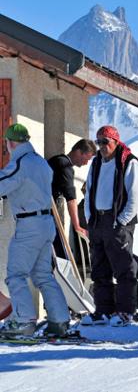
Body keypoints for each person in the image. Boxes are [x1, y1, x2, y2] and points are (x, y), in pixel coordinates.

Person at [0, 124, 70, 336]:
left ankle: (23, 321)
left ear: (11, 143)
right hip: (45, 223)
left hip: (29, 224)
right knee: (42, 275)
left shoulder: (21, 163)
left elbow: (3, 183)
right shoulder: (40, 162)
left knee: (15, 274)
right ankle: (59, 322)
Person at [81, 125, 138, 327]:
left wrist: (122, 221)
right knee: (99, 269)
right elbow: (89, 190)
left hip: (117, 222)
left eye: (105, 141)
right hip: (98, 221)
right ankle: (103, 311)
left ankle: (125, 312)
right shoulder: (97, 162)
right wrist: (89, 217)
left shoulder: (128, 162)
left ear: (116, 141)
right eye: (98, 142)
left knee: (124, 269)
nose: (101, 146)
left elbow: (136, 196)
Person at [48, 138, 97, 258]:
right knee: (60, 256)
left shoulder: (56, 160)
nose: (86, 163)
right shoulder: (65, 166)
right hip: (45, 216)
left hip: (41, 213)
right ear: (79, 152)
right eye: (87, 158)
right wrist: (77, 226)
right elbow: (71, 199)